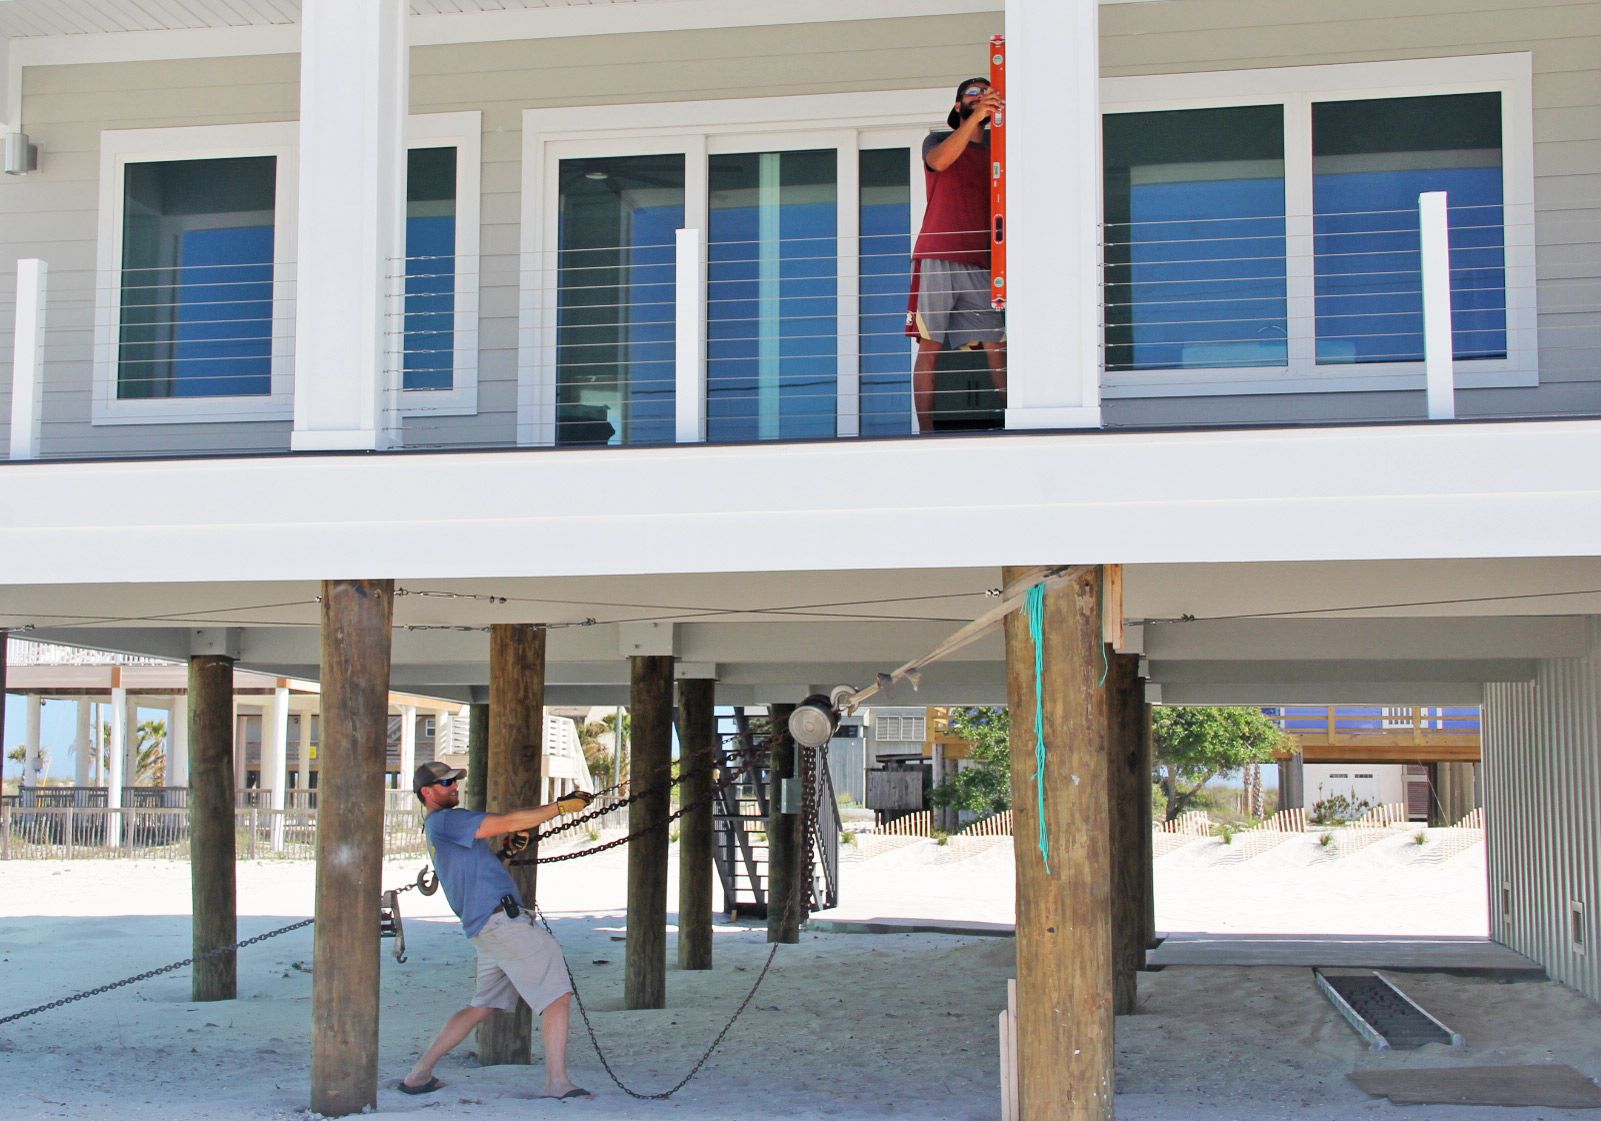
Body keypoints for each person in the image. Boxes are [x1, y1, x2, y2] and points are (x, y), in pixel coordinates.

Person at [399, 760, 596, 1100]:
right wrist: (560, 807)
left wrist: (506, 852)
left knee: (482, 1006)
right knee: (557, 995)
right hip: (500, 924)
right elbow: (505, 821)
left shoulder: (439, 827)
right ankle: (557, 1082)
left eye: (455, 781)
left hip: (485, 928)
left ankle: (418, 1075)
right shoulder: (447, 820)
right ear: (427, 793)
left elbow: (481, 867)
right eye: (446, 783)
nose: (454, 786)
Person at [907, 76, 1007, 434]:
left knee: (995, 344)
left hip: (981, 259)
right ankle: (927, 433)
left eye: (986, 93)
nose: (979, 97)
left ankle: (1014, 420)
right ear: (958, 105)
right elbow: (940, 161)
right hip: (938, 252)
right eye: (972, 94)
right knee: (930, 345)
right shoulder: (936, 140)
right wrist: (976, 118)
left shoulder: (999, 151)